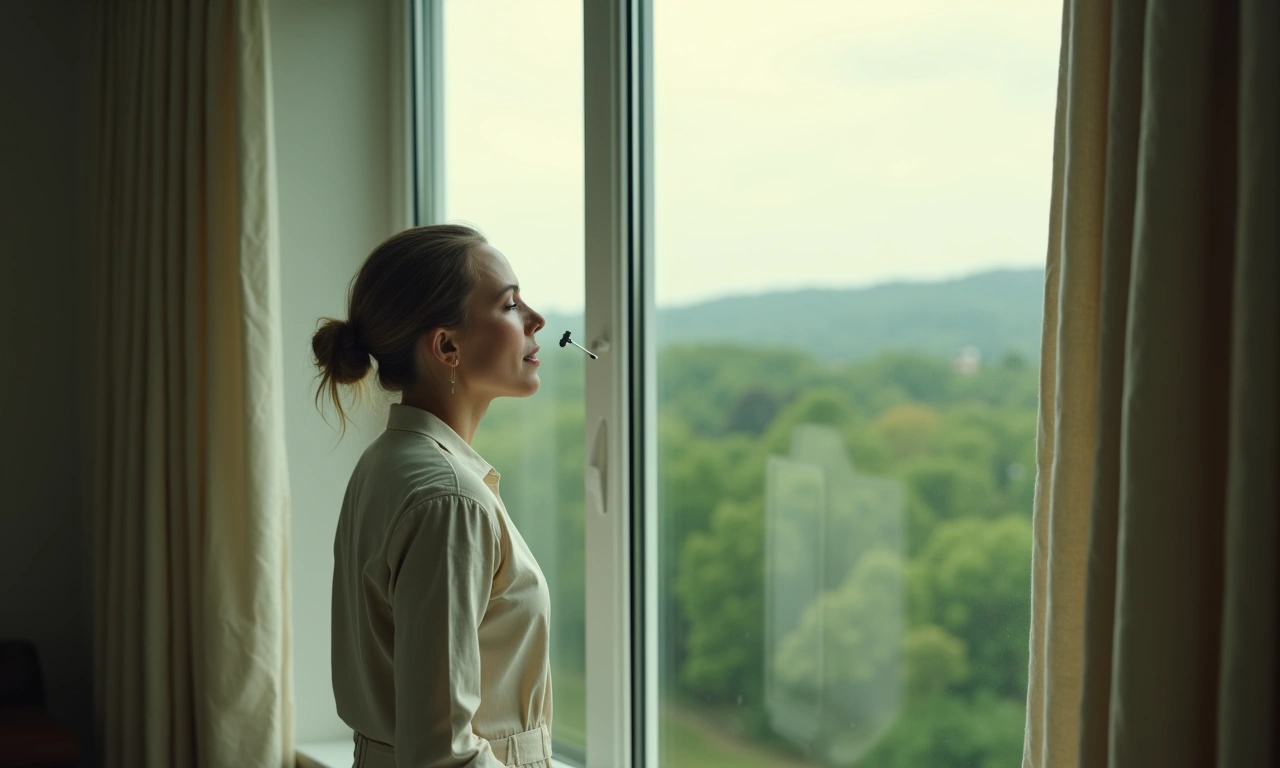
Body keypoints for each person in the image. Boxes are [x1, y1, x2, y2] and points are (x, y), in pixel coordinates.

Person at [311, 224, 553, 768]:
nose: (536, 319)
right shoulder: (450, 498)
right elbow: (443, 754)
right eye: (510, 304)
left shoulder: (387, 463)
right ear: (446, 346)